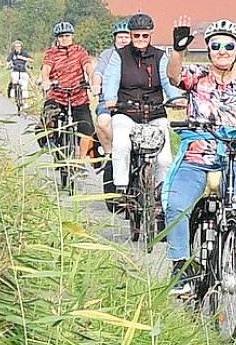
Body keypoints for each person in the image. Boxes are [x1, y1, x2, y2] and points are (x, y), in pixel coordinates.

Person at [161, 17, 236, 295]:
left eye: (228, 46)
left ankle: (234, 258)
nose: (222, 50)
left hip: (234, 156)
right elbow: (174, 76)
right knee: (176, 203)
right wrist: (178, 48)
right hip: (197, 156)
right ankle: (181, 266)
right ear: (208, 49)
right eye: (216, 45)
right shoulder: (197, 75)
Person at [101, 12, 176, 213]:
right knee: (121, 145)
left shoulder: (161, 56)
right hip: (127, 111)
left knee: (164, 158)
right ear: (131, 35)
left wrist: (176, 99)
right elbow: (110, 79)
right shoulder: (120, 56)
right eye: (137, 36)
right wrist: (110, 98)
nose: (140, 40)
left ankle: (161, 195)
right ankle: (122, 189)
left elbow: (168, 81)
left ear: (150, 35)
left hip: (155, 113)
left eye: (145, 36)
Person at [37, 22, 96, 175]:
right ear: (57, 38)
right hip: (57, 94)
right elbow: (46, 68)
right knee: (48, 115)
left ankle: (81, 162)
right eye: (61, 36)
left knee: (86, 129)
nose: (64, 39)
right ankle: (51, 141)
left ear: (72, 37)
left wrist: (91, 78)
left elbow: (88, 66)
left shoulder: (80, 51)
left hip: (78, 95)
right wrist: (45, 80)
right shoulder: (52, 53)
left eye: (67, 36)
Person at [92, 21, 131, 199]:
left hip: (131, 103)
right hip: (109, 101)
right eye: (120, 36)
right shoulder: (108, 55)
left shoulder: (136, 56)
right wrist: (96, 84)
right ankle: (109, 153)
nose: (123, 40)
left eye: (126, 36)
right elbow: (98, 72)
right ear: (114, 38)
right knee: (103, 121)